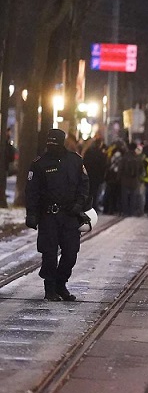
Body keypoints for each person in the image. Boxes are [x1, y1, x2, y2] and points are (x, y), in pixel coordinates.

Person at [25, 129, 90, 301]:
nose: (51, 145)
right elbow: (32, 191)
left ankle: (61, 283)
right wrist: (31, 213)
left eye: (55, 141)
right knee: (49, 253)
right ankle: (50, 287)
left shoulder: (75, 161)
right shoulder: (39, 163)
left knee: (71, 252)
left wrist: (78, 205)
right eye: (50, 141)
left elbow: (84, 185)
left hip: (69, 215)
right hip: (48, 216)